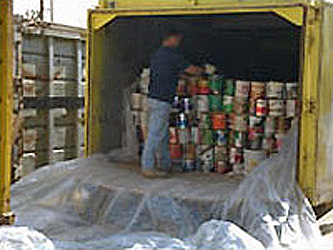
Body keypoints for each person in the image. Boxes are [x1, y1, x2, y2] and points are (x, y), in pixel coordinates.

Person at [141, 29, 202, 178]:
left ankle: (165, 165)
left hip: (154, 98)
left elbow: (167, 71)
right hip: (162, 100)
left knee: (162, 135)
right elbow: (191, 70)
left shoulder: (157, 54)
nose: (179, 43)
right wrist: (204, 70)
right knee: (155, 134)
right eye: (178, 40)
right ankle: (147, 167)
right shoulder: (172, 55)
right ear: (172, 38)